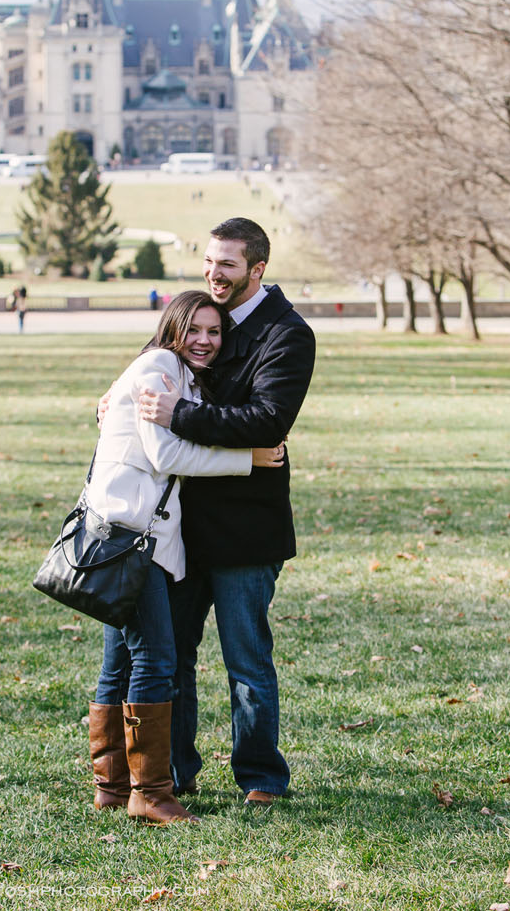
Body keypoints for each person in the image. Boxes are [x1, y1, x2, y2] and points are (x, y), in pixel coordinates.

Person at [131, 218, 317, 808]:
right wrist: (120, 395)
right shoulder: (198, 321)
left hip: (246, 530)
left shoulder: (287, 335)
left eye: (228, 265)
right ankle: (176, 772)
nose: (214, 273)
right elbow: (156, 365)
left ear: (257, 270)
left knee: (246, 660)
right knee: (172, 656)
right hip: (179, 528)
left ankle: (260, 777)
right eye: (210, 261)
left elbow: (266, 423)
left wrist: (176, 416)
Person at [87, 291, 284, 825]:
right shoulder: (157, 365)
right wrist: (249, 459)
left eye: (214, 332)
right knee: (154, 658)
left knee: (120, 661)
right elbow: (165, 452)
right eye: (194, 329)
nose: (204, 340)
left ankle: (113, 783)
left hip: (129, 532)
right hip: (129, 534)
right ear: (172, 328)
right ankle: (150, 794)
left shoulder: (179, 375)